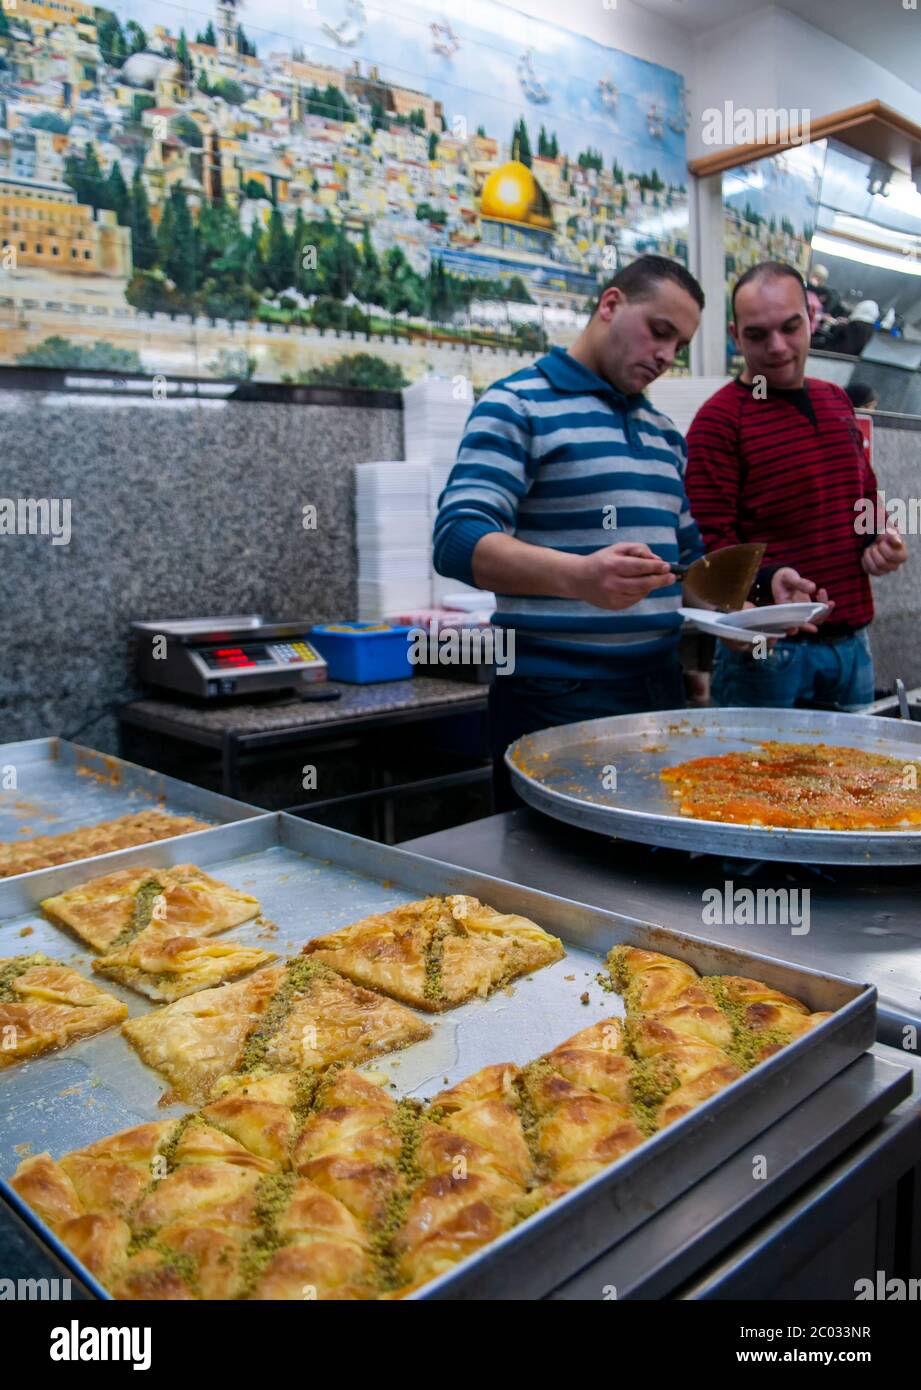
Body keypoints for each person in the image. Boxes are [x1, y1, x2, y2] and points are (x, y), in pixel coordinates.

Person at [434, 255, 817, 807]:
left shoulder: (662, 435)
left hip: (657, 690)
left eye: (679, 345)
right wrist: (580, 578)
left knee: (644, 872)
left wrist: (755, 602)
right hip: (553, 696)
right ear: (610, 305)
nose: (665, 356)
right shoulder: (517, 405)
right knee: (552, 874)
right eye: (658, 332)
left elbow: (688, 571)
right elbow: (457, 539)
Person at [686, 261, 906, 711]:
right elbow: (709, 546)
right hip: (768, 656)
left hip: (851, 646)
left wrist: (879, 540)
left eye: (791, 327)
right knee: (755, 781)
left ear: (810, 318)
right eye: (757, 335)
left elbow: (861, 493)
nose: (778, 347)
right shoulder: (720, 420)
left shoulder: (836, 400)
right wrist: (765, 588)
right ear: (735, 334)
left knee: (855, 781)